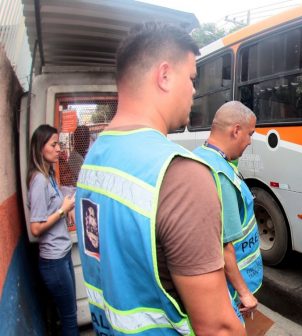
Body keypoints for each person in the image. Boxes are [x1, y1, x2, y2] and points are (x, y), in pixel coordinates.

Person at [75, 22, 245, 335]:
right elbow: (220, 328)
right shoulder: (181, 174)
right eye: (192, 78)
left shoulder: (94, 159)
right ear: (164, 76)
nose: (194, 90)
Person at [194, 101, 263, 322]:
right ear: (236, 130)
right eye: (250, 134)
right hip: (229, 293)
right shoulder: (221, 175)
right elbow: (225, 248)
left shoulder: (199, 156)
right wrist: (245, 293)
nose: (250, 142)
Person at [27, 124, 78, 335]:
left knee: (69, 313)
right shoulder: (38, 180)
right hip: (53, 261)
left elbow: (55, 201)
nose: (59, 149)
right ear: (41, 148)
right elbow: (36, 227)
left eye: (58, 144)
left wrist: (66, 203)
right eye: (54, 144)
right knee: (69, 317)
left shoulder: (48, 175)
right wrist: (63, 211)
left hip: (62, 254)